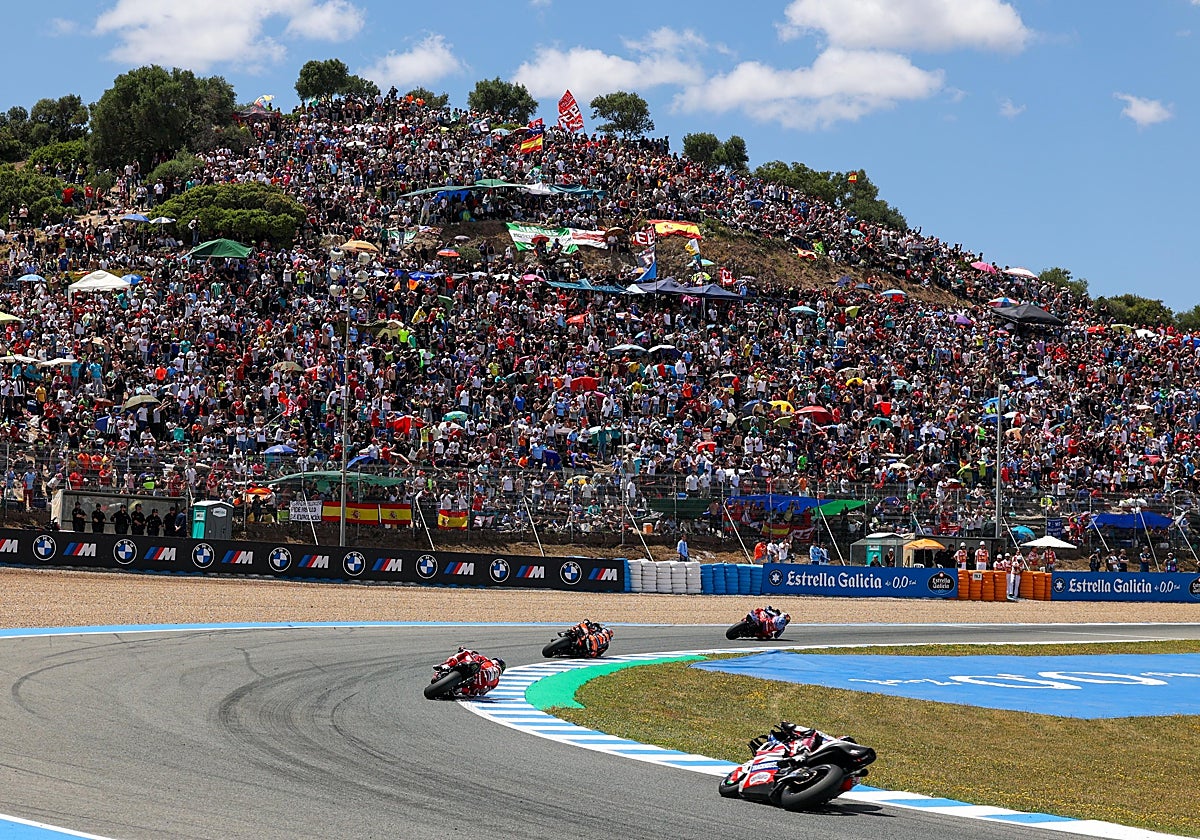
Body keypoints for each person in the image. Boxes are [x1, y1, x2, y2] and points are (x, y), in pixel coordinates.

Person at [434, 647, 505, 698]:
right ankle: (459, 690)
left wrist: (463, 649)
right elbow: (482, 693)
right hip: (477, 686)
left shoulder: (486, 660)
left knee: (465, 653)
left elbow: (476, 657)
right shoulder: (496, 682)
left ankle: (446, 665)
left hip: (476, 669)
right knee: (471, 693)